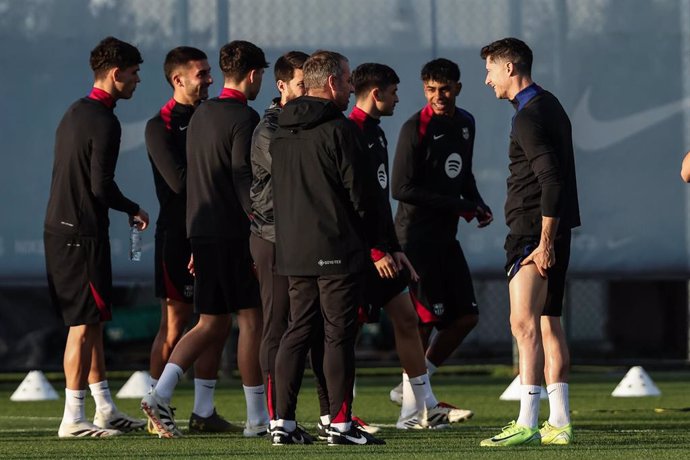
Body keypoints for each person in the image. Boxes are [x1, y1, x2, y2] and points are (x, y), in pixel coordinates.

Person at [141, 40, 269, 439]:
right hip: (231, 232)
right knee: (251, 320)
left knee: (211, 322)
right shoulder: (243, 117)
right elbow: (241, 177)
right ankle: (258, 419)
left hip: (202, 230)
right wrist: (261, 222)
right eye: (263, 75)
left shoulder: (201, 116)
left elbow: (193, 181)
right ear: (253, 76)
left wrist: (198, 239)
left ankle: (160, 394)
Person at [349, 62, 473, 430]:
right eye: (394, 91)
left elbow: (378, 197)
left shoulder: (378, 131)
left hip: (395, 246)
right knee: (346, 330)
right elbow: (365, 197)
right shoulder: (356, 131)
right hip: (384, 246)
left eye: (444, 88)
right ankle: (335, 416)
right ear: (377, 93)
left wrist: (389, 247)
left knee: (415, 318)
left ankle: (419, 406)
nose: (400, 98)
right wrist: (376, 249)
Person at [270, 50, 385, 446]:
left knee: (296, 330)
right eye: (349, 80)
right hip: (336, 246)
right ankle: (340, 424)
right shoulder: (341, 129)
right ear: (333, 83)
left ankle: (280, 424)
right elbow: (362, 195)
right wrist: (377, 242)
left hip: (292, 249)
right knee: (338, 335)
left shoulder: (280, 128)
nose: (352, 87)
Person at [44, 36, 149, 438]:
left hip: (67, 230)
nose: (137, 80)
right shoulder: (103, 120)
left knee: (94, 320)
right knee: (83, 324)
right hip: (79, 234)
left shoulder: (76, 111)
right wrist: (134, 209)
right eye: (134, 72)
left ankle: (104, 407)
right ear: (115, 73)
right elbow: (100, 186)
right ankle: (73, 418)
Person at [479, 37, 580, 447]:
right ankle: (559, 422)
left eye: (490, 70)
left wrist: (544, 242)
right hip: (553, 230)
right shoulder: (549, 104)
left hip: (531, 234)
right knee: (547, 324)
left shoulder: (528, 117)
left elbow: (551, 181)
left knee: (522, 325)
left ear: (509, 68)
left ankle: (527, 421)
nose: (487, 80)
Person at [390, 58, 492, 412]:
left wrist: (476, 202)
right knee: (423, 320)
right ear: (424, 89)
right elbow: (401, 188)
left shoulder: (466, 123)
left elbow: (464, 174)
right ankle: (411, 411)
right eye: (431, 89)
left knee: (467, 316)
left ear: (458, 88)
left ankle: (416, 388)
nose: (439, 96)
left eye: (445, 89)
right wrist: (457, 204)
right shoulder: (414, 127)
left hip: (445, 237)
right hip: (415, 237)